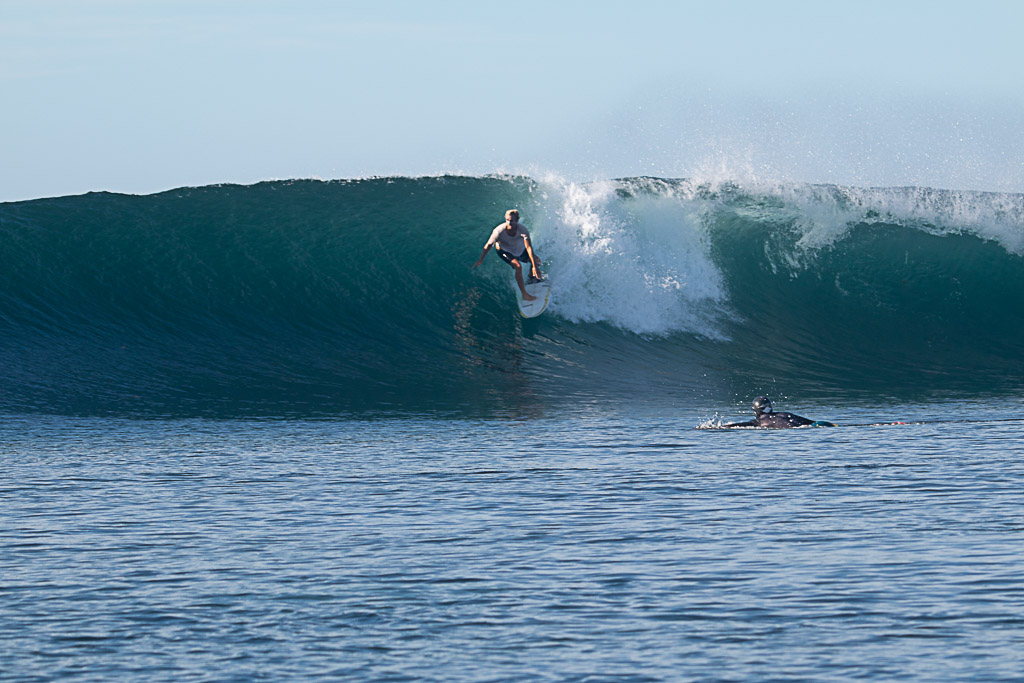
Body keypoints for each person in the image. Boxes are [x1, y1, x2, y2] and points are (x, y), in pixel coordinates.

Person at [472, 209, 543, 301]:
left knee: (538, 262)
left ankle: (531, 277)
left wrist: (534, 266)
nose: (509, 223)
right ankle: (524, 294)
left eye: (512, 220)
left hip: (520, 250)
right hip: (505, 252)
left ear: (517, 220)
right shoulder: (498, 231)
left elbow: (529, 248)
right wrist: (481, 259)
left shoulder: (522, 230)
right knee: (518, 266)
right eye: (507, 220)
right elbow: (488, 245)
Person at [721, 396, 836, 429]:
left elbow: (742, 425)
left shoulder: (759, 421)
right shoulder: (785, 414)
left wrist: (724, 426)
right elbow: (813, 423)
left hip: (787, 430)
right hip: (801, 426)